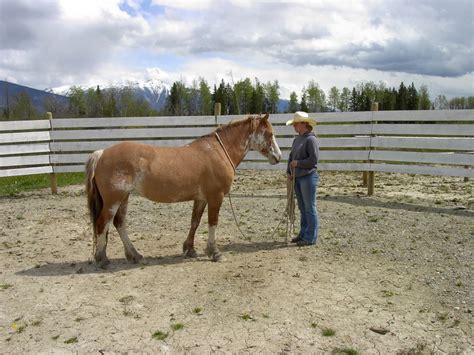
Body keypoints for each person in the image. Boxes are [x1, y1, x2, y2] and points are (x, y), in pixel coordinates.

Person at [286, 111, 320, 246]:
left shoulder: (311, 140)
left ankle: (310, 237)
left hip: (307, 177)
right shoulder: (298, 139)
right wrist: (289, 171)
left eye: (296, 124)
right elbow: (291, 156)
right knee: (303, 207)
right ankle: (304, 233)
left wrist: (298, 164)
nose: (294, 126)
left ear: (303, 124)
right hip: (298, 177)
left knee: (309, 207)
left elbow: (313, 160)